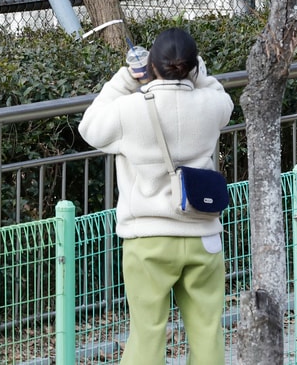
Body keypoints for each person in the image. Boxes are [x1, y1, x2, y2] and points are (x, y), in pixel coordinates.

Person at [78, 27, 235, 365]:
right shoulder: (211, 105)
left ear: (151, 64)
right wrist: (197, 71)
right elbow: (222, 97)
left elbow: (89, 126)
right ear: (192, 66)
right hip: (203, 235)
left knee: (147, 332)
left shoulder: (130, 109)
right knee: (208, 331)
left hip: (147, 239)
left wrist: (127, 78)